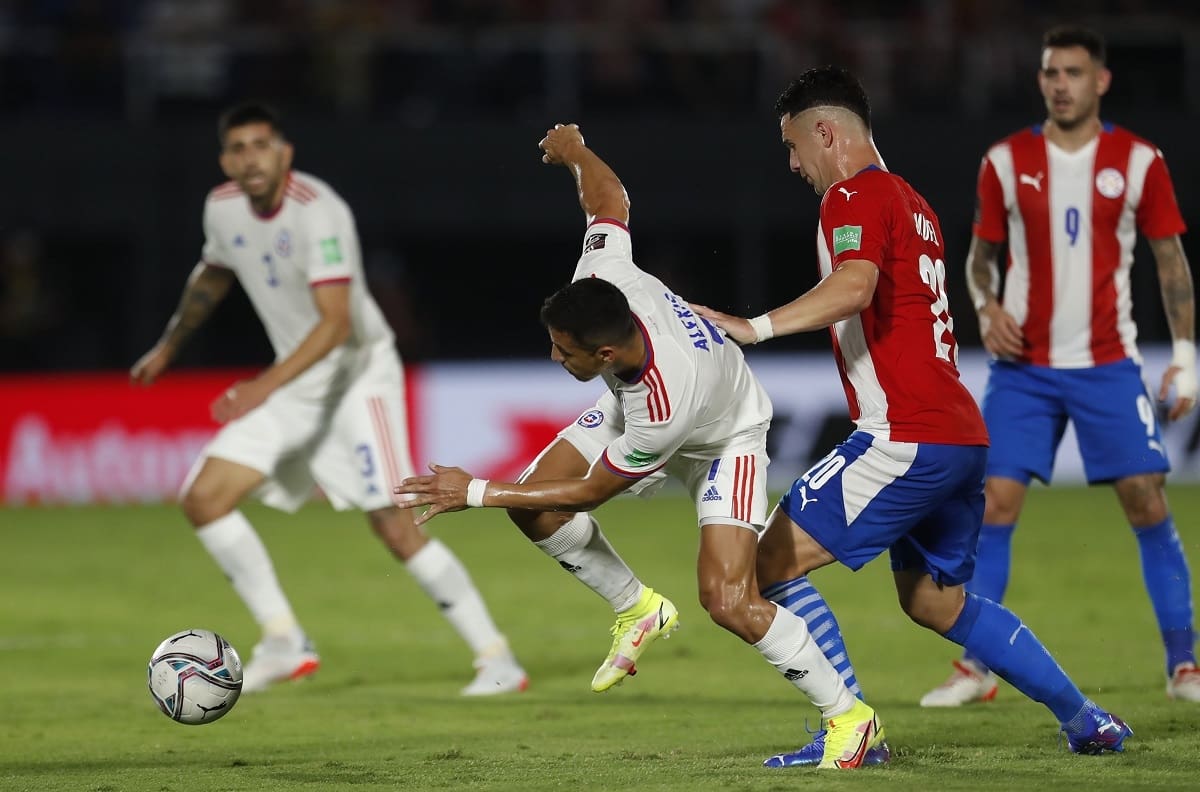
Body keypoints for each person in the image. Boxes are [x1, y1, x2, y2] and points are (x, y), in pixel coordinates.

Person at [395, 121, 895, 770]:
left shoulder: (663, 401)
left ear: (604, 353)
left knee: (728, 600)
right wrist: (576, 153)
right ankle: (636, 607)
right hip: (632, 408)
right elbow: (610, 201)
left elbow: (591, 492)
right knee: (531, 507)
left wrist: (474, 492)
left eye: (563, 351)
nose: (554, 358)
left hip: (723, 437)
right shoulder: (604, 275)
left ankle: (850, 718)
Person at [689, 65, 1132, 766]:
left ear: (825, 132)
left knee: (761, 568)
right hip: (959, 436)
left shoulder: (853, 194)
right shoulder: (912, 201)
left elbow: (854, 286)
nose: (794, 164)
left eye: (793, 146)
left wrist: (754, 327)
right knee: (934, 602)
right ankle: (1087, 720)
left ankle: (850, 728)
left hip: (905, 435)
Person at [129, 102, 527, 697]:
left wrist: (262, 386)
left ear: (284, 152)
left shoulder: (320, 212)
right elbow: (212, 273)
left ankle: (497, 659)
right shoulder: (222, 207)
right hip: (295, 382)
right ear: (225, 160)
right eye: (238, 148)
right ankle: (284, 640)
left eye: (261, 145)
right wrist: (169, 345)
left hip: (357, 378)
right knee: (204, 498)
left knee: (394, 526)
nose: (250, 158)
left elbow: (337, 325)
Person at [919, 25, 1200, 708]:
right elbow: (980, 259)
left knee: (1146, 499)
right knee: (993, 503)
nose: (1061, 84)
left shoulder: (1139, 161)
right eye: (1051, 72)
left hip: (1107, 364)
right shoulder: (1005, 161)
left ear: (1100, 80)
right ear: (1040, 79)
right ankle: (976, 668)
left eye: (1074, 72)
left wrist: (1185, 358)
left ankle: (1184, 665)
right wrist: (986, 307)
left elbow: (1170, 262)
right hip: (1025, 372)